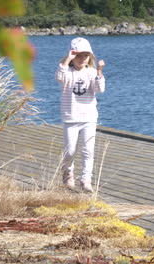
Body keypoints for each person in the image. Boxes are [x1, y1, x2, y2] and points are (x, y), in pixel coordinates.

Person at [55, 37, 106, 192]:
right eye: (78, 55)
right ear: (72, 55)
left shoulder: (91, 72)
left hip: (89, 117)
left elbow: (99, 89)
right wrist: (66, 60)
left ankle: (86, 180)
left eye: (85, 55)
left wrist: (99, 72)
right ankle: (68, 173)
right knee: (70, 151)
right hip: (71, 117)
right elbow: (59, 77)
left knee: (88, 150)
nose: (82, 59)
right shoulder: (66, 71)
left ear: (89, 57)